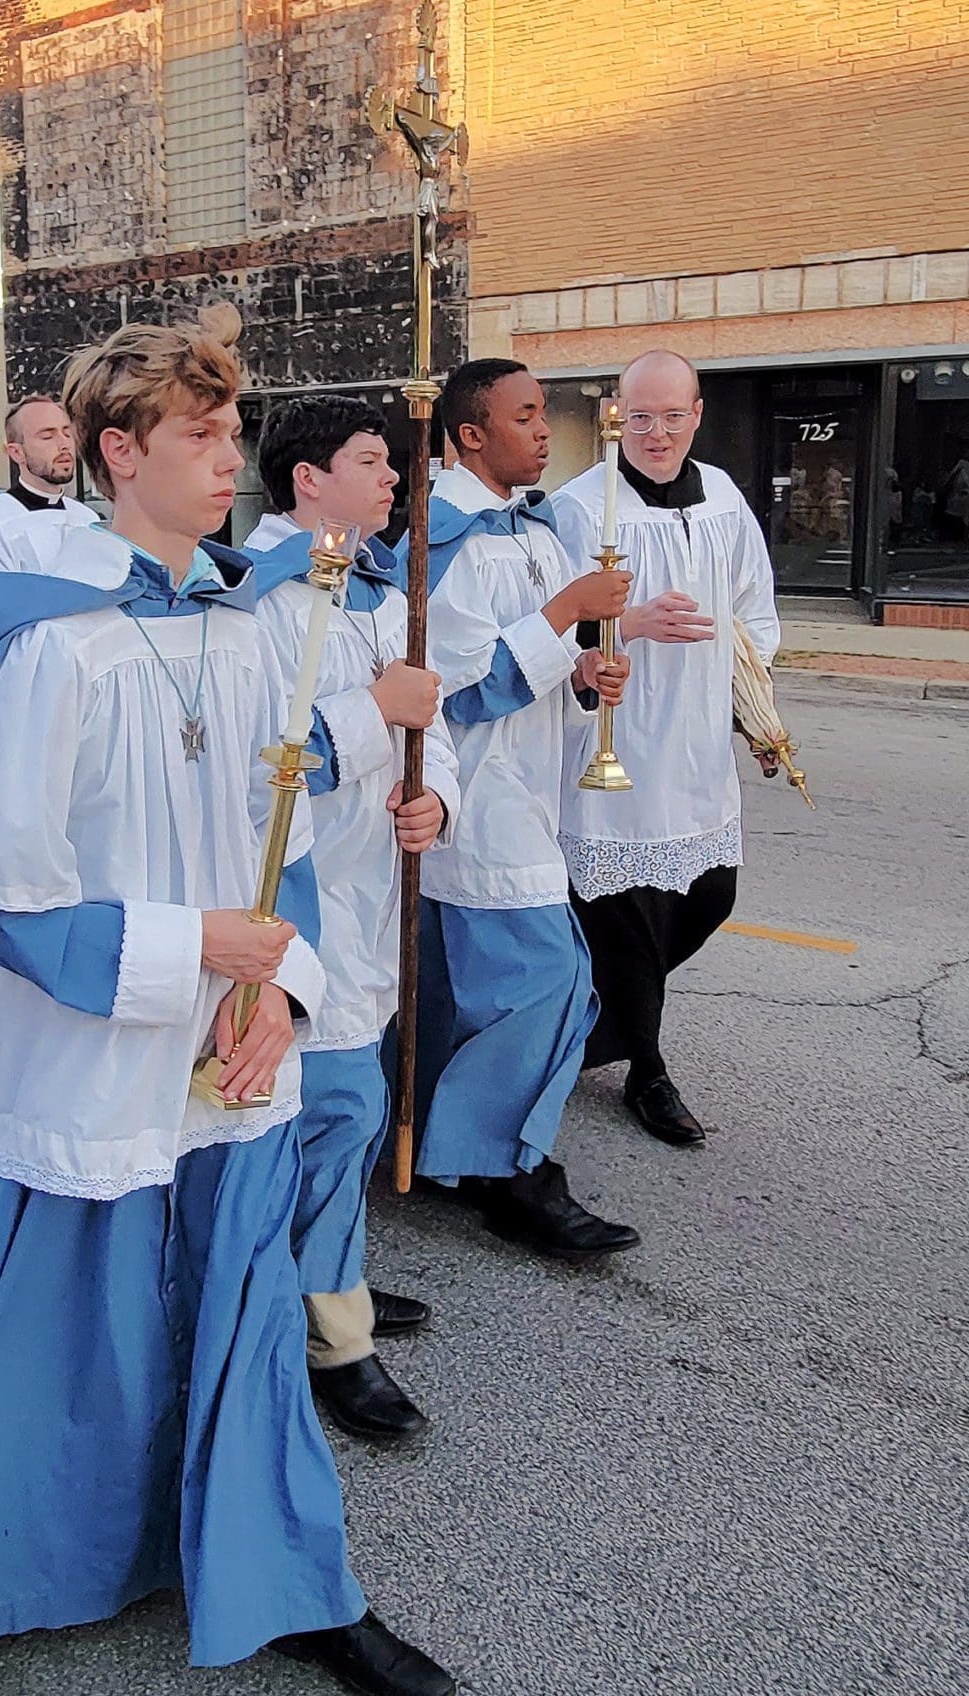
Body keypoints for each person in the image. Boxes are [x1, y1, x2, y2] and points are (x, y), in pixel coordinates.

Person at [0, 306, 455, 1696]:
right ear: (116, 453)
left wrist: (278, 989)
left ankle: (292, 1583)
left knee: (245, 1322)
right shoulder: (53, 646)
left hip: (228, 1048)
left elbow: (275, 842)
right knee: (63, 1353)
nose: (229, 459)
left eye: (231, 432)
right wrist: (190, 952)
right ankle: (24, 1563)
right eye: (199, 435)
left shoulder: (248, 628)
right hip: (87, 1056)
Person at [243, 394, 459, 1443]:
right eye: (372, 460)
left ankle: (328, 1275)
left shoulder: (380, 590)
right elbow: (260, 768)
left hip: (372, 894)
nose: (393, 479)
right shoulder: (253, 602)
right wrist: (377, 713)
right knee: (332, 1115)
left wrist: (435, 796)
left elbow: (431, 724)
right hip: (300, 905)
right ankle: (332, 1335)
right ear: (307, 480)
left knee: (346, 1114)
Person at [410, 359, 635, 1257]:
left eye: (544, 414)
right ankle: (511, 1173)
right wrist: (569, 611)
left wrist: (581, 673)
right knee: (546, 983)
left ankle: (441, 1151)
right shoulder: (446, 539)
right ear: (471, 434)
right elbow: (460, 690)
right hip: (479, 801)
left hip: (531, 788)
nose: (544, 431)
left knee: (470, 993)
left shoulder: (534, 529)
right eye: (526, 416)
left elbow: (533, 668)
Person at [548, 351, 781, 1148]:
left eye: (672, 415)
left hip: (697, 743)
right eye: (641, 416)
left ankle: (592, 1027)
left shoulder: (723, 499)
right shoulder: (582, 508)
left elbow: (754, 611)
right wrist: (625, 625)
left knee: (709, 897)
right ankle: (647, 1068)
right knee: (625, 919)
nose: (657, 432)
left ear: (697, 415)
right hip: (616, 739)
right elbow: (548, 622)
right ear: (616, 417)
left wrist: (753, 707)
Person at [0, 393, 99, 575]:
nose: (64, 445)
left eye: (67, 433)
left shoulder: (87, 519)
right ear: (17, 453)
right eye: (47, 436)